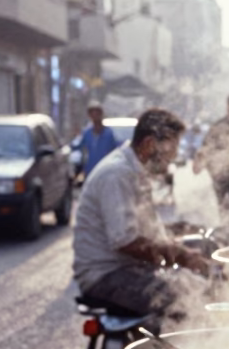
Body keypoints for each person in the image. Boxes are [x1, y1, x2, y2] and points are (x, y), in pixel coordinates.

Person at [73, 108, 209, 316]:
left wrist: (178, 241)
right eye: (167, 156)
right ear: (148, 145)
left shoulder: (135, 170)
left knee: (194, 283)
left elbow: (147, 229)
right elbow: (126, 241)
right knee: (186, 298)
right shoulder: (117, 174)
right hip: (104, 276)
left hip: (125, 268)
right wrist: (180, 255)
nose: (168, 164)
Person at [193, 94, 229, 242]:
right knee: (225, 211)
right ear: (228, 106)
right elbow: (205, 149)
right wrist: (200, 163)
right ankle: (227, 241)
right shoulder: (217, 128)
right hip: (221, 178)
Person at [79, 103, 118, 177]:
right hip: (90, 170)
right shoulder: (87, 133)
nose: (95, 116)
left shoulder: (109, 133)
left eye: (97, 113)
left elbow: (113, 151)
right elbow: (83, 152)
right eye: (92, 114)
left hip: (106, 170)